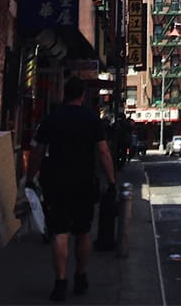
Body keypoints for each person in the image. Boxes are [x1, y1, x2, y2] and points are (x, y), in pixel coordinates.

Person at [27, 78, 116, 302]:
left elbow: (37, 151)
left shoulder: (51, 119)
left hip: (56, 181)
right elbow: (104, 152)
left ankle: (60, 281)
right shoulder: (92, 119)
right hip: (84, 181)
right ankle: (81, 276)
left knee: (60, 232)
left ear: (64, 94)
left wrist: (30, 177)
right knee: (83, 231)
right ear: (82, 95)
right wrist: (112, 181)